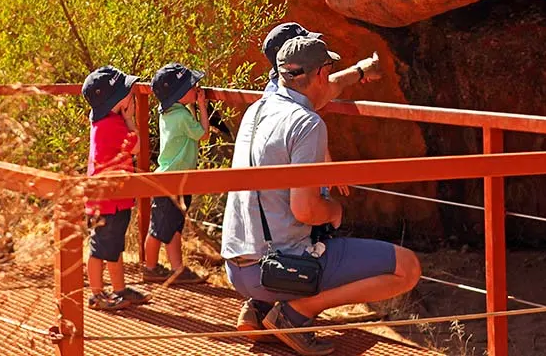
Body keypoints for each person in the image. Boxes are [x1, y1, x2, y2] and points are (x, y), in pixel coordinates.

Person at [221, 36, 421, 355]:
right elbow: (305, 210)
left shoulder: (258, 109)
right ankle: (296, 313)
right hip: (278, 269)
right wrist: (333, 211)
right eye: (328, 68)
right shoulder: (307, 124)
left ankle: (259, 309)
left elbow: (324, 91)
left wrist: (358, 72)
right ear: (320, 74)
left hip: (238, 267)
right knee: (406, 267)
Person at [81, 66, 152, 310]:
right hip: (107, 201)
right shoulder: (111, 125)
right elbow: (136, 147)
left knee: (113, 247)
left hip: (114, 199)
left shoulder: (107, 121)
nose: (132, 95)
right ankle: (97, 294)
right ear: (113, 102)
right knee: (99, 248)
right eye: (127, 93)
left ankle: (119, 290)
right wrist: (131, 118)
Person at [142, 63, 209, 284]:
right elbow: (203, 134)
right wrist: (202, 106)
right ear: (179, 94)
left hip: (173, 178)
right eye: (191, 86)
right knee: (159, 229)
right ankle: (150, 267)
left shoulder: (170, 111)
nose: (196, 87)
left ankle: (177, 269)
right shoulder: (182, 116)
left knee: (172, 228)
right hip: (173, 180)